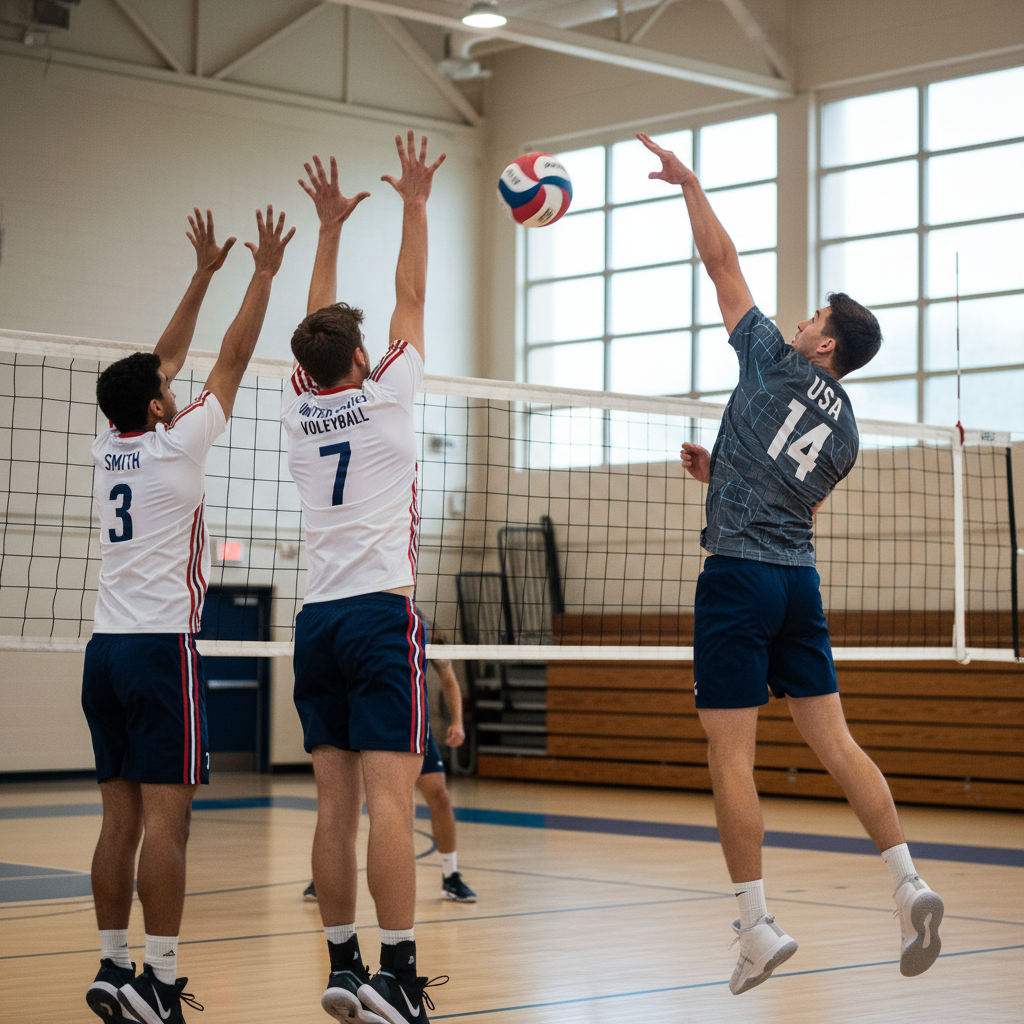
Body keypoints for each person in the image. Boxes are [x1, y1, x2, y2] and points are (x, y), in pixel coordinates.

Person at [637, 131, 945, 995]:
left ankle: (756, 925)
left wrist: (691, 183)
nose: (802, 318)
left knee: (730, 757)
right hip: (796, 584)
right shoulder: (848, 434)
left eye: (814, 317)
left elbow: (721, 257)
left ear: (821, 346)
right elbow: (792, 497)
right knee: (837, 743)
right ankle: (908, 881)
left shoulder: (770, 357)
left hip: (735, 577)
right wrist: (721, 468)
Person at [82, 206, 294, 1024]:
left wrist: (203, 274)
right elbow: (232, 355)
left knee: (117, 822)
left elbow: (160, 361)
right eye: (169, 389)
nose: (176, 384)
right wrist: (260, 273)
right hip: (161, 651)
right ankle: (159, 986)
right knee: (169, 823)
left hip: (103, 651)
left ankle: (111, 968)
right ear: (162, 408)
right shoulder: (178, 442)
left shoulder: (113, 444)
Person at [283, 133, 446, 1024]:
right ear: (359, 357)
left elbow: (318, 324)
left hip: (316, 622)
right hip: (381, 612)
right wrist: (415, 204)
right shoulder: (388, 394)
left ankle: (343, 966)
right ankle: (400, 977)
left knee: (332, 806)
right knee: (392, 802)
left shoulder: (300, 405)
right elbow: (409, 294)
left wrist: (327, 229)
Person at [302, 635, 478, 906]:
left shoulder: (423, 629)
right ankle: (326, 877)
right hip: (367, 720)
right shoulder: (362, 624)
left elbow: (448, 678)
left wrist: (457, 722)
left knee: (439, 794)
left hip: (411, 721)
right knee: (348, 801)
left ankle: (451, 876)